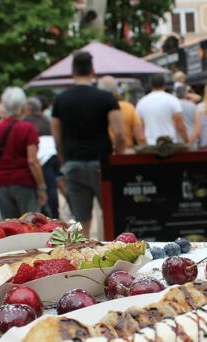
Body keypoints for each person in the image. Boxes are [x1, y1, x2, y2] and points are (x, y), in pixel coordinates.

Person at [51, 51, 125, 237]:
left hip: (73, 164)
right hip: (102, 164)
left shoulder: (60, 100)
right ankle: (112, 251)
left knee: (81, 222)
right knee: (110, 216)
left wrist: (63, 160)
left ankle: (84, 253)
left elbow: (57, 138)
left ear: (72, 72)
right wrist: (117, 159)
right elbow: (120, 134)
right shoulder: (107, 98)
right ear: (93, 71)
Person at [0, 87, 47, 219]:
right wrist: (42, 187)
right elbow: (32, 161)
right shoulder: (28, 128)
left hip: (2, 183)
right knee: (30, 224)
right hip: (24, 182)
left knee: (9, 226)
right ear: (22, 106)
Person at [24, 96, 60, 219]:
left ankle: (46, 214)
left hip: (41, 157)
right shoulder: (46, 120)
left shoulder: (26, 122)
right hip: (53, 154)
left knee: (44, 186)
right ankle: (55, 213)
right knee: (53, 186)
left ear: (27, 109)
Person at [136, 75, 188, 145]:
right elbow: (180, 125)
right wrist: (186, 140)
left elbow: (139, 127)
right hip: (170, 143)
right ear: (164, 85)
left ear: (151, 86)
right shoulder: (173, 100)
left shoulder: (142, 102)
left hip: (150, 144)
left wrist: (143, 143)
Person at [98, 75, 146, 151]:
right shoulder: (128, 108)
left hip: (101, 152)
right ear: (116, 91)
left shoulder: (95, 108)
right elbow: (140, 137)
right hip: (125, 152)